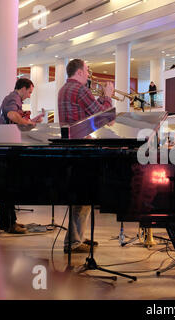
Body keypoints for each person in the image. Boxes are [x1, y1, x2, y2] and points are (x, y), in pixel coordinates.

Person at [58, 58, 114, 253]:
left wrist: (100, 101)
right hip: (82, 147)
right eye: (87, 70)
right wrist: (107, 96)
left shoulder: (65, 89)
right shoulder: (80, 89)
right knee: (83, 194)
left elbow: (87, 113)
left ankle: (77, 237)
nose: (89, 74)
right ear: (80, 72)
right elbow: (103, 116)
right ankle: (73, 242)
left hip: (71, 147)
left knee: (80, 195)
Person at [0, 78, 44, 234]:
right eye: (29, 91)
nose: (30, 95)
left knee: (9, 186)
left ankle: (11, 222)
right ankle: (8, 224)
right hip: (8, 149)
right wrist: (27, 123)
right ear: (22, 88)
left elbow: (17, 120)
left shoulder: (13, 98)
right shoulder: (13, 98)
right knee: (8, 187)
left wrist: (31, 121)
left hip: (7, 148)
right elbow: (11, 115)